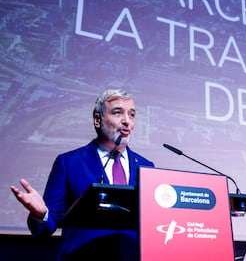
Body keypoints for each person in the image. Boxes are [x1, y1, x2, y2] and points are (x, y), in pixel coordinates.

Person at [10, 89, 154, 260]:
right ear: (97, 120)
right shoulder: (69, 163)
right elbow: (45, 228)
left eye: (131, 115)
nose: (127, 121)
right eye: (118, 113)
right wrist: (41, 215)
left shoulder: (146, 167)